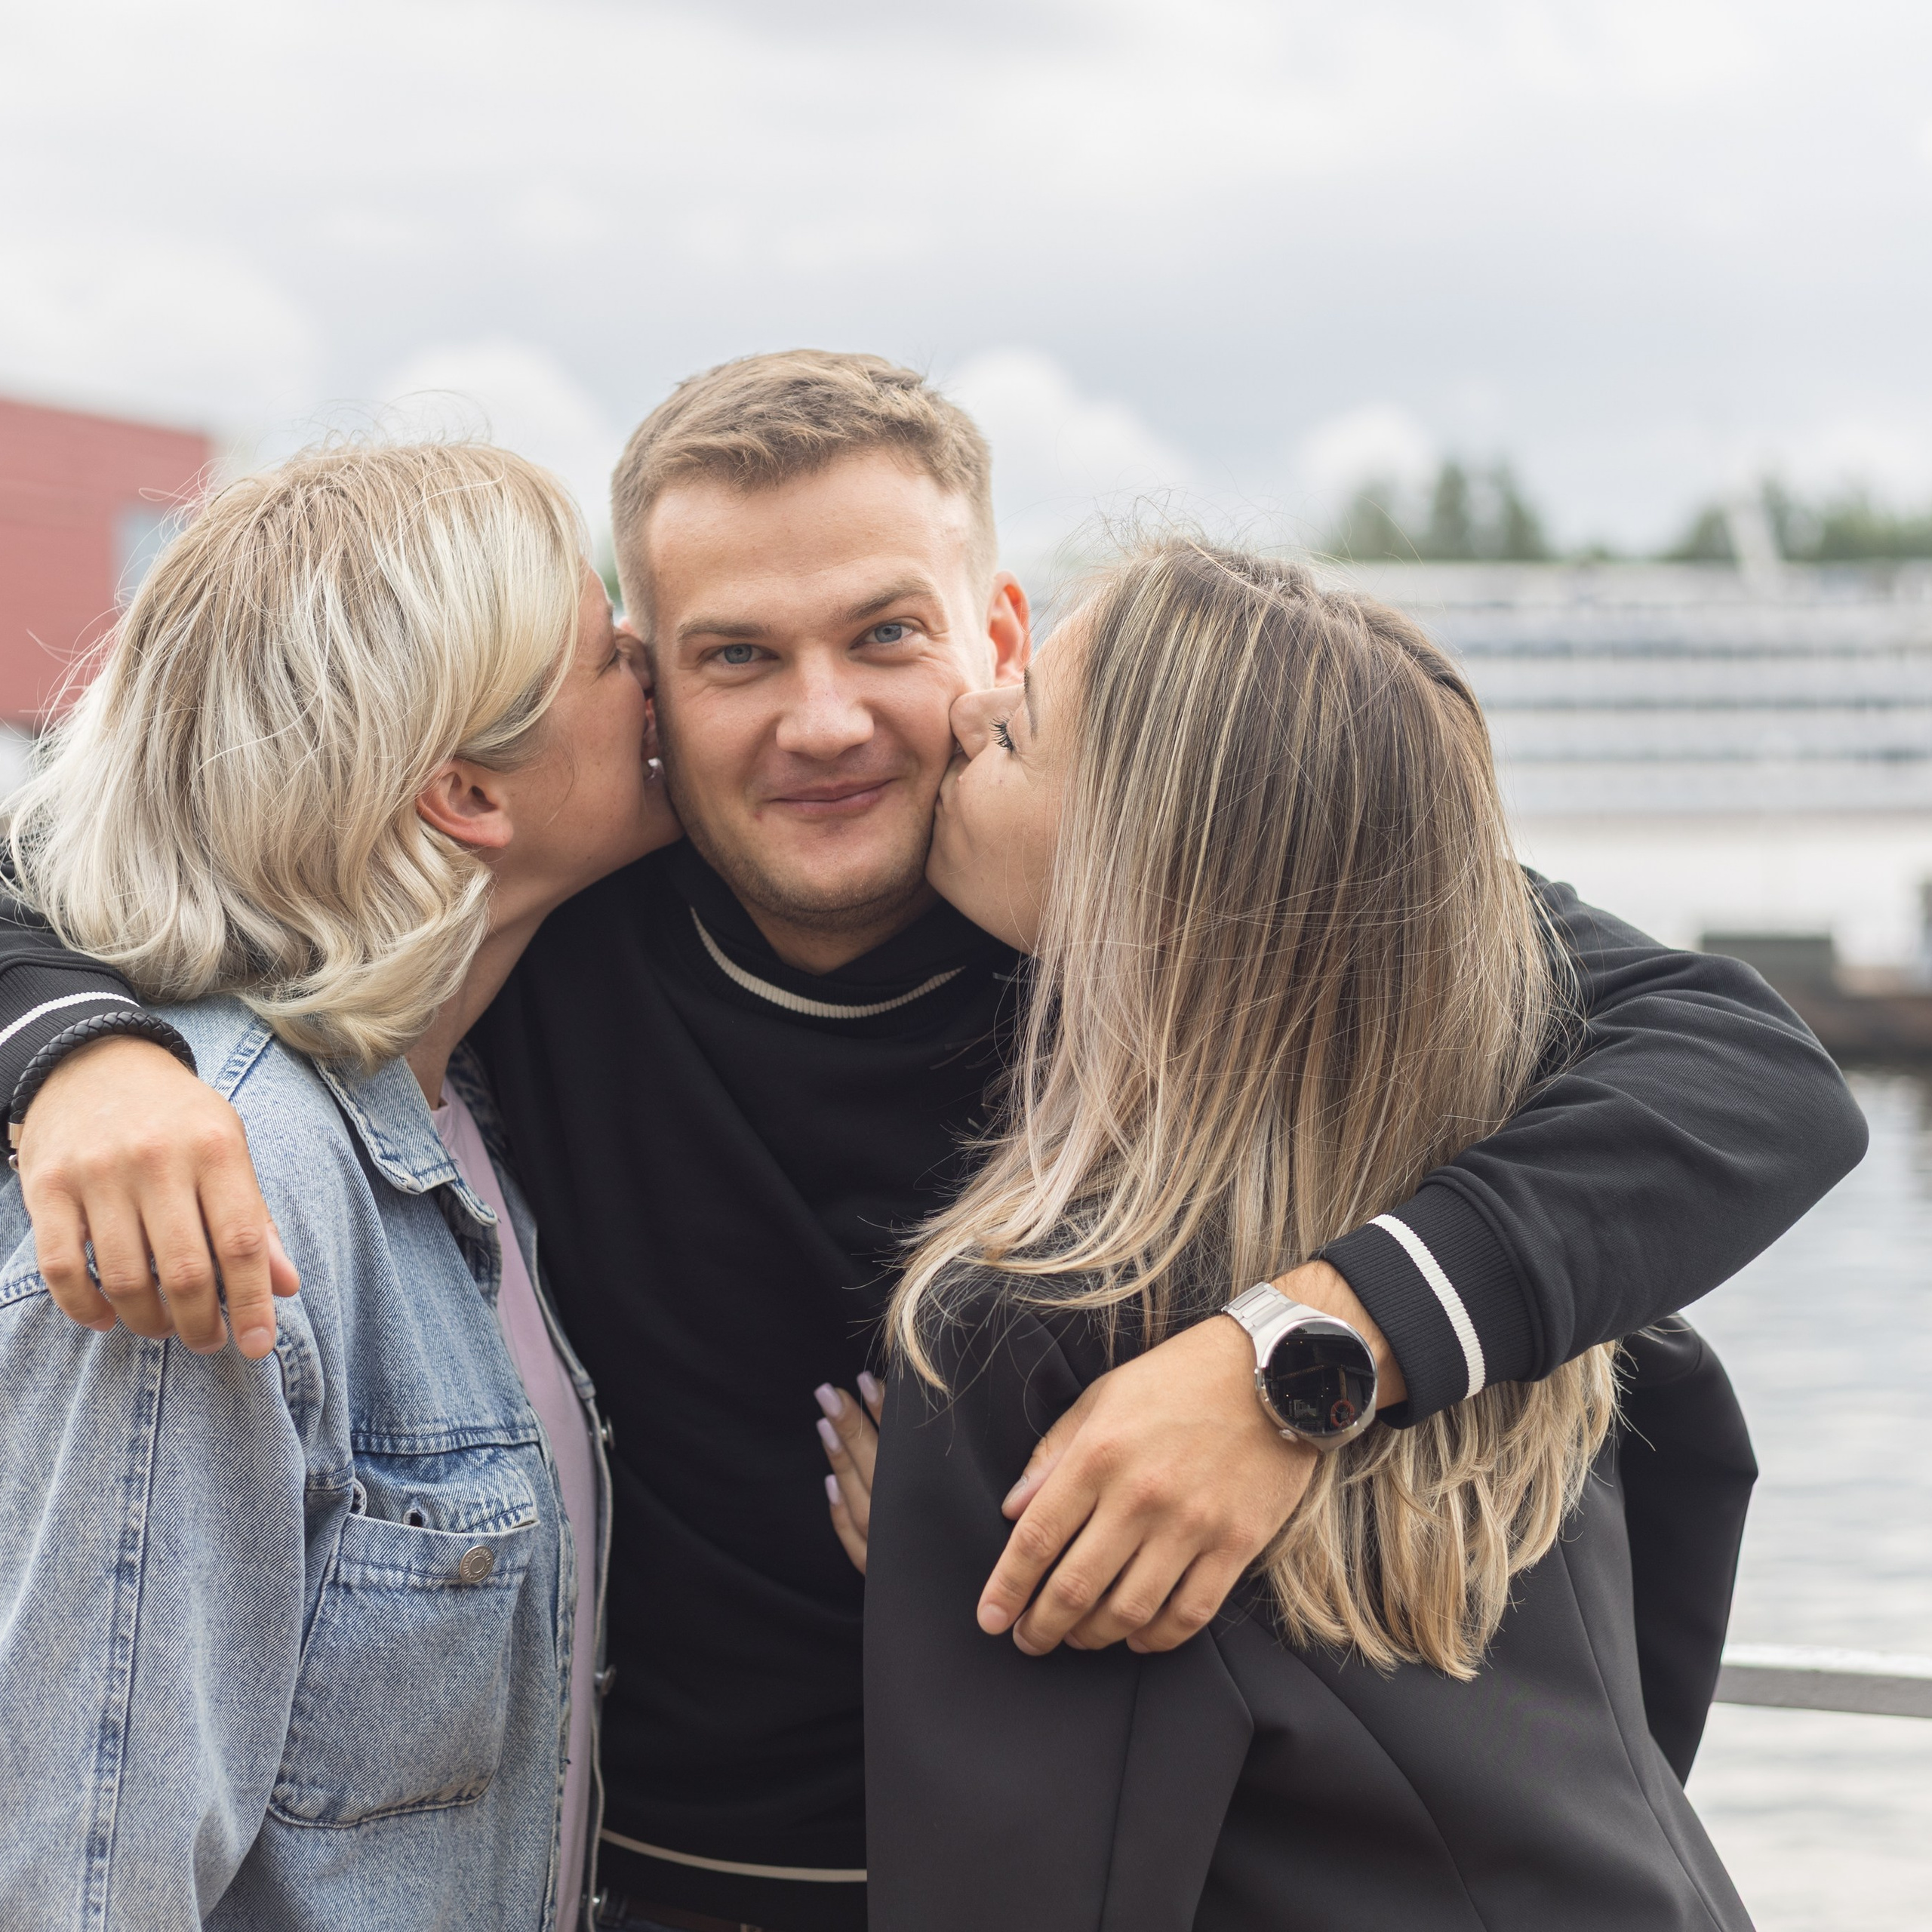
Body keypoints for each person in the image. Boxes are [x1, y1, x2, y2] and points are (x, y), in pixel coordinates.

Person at [0, 355, 1860, 1931]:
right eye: (735, 654)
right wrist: (80, 1051)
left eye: (884, 635)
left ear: (996, 637)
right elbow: (126, 853)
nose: (823, 721)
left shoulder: (1167, 919)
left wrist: (1291, 1356)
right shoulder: (555, 928)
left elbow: (1744, 1069)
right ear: (643, 682)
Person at [862, 541, 1752, 1930]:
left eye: (1018, 726)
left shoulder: (1028, 1329)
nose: (968, 712)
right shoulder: (1522, 1282)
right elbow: (1685, 1556)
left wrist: (944, 1580)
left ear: (1142, 871)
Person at [0, 441, 678, 1928]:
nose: (654, 662)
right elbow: (83, 1873)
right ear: (464, 792)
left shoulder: (475, 1097)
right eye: (599, 644)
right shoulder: (220, 1182)